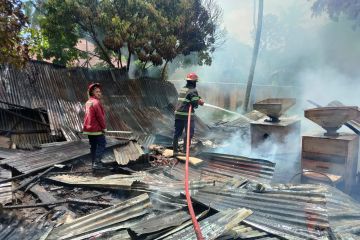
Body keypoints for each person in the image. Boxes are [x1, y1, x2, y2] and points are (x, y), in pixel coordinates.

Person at [173, 73, 205, 156]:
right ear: (194, 82)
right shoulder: (194, 91)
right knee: (189, 133)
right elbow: (195, 104)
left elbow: (190, 97)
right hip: (187, 115)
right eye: (195, 82)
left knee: (177, 133)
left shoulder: (183, 89)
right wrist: (200, 102)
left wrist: (198, 98)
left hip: (178, 114)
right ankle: (185, 151)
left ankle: (175, 151)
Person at [83, 83, 107, 169]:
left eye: (100, 92)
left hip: (89, 129)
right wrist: (104, 128)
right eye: (97, 92)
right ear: (92, 93)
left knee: (93, 146)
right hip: (96, 129)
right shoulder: (96, 103)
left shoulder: (88, 102)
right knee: (102, 144)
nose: (99, 93)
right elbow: (100, 117)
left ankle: (93, 163)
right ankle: (97, 163)